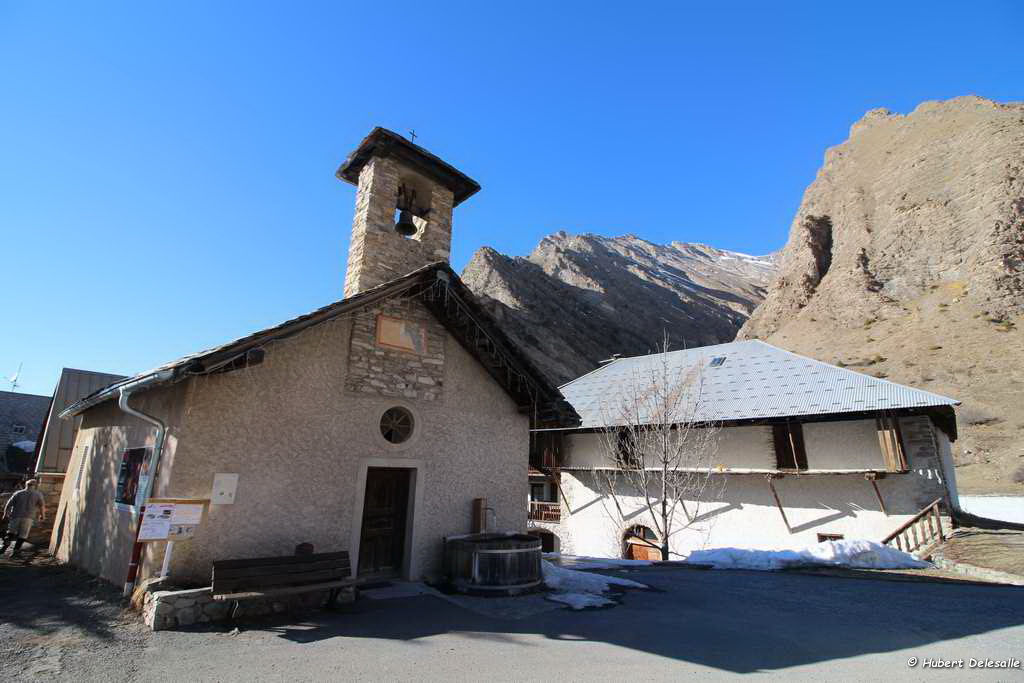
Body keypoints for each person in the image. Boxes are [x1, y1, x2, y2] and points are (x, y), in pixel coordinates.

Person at [1, 479, 46, 556]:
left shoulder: (18, 493)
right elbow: (42, 506)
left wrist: (5, 514)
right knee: (23, 535)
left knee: (11, 532)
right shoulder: (38, 494)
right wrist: (42, 515)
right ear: (35, 485)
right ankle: (15, 551)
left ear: (26, 485)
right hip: (28, 517)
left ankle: (4, 547)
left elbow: (8, 504)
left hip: (15, 515)